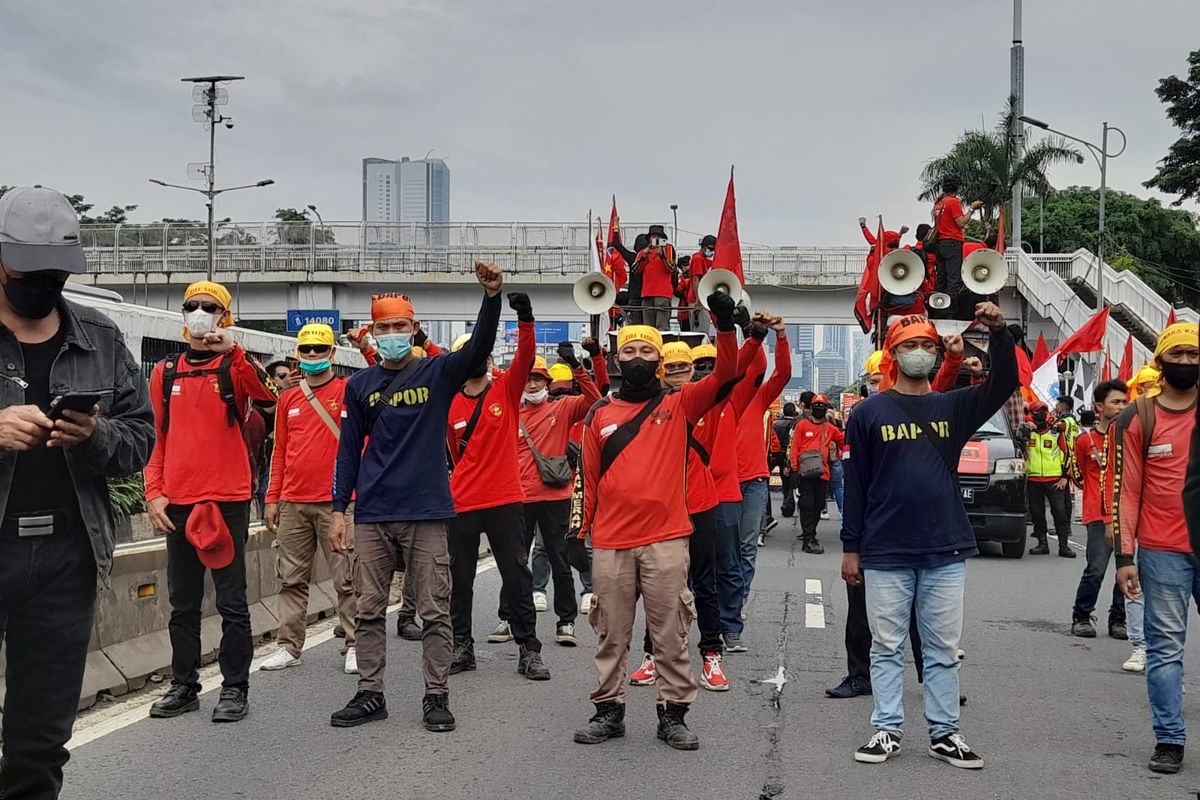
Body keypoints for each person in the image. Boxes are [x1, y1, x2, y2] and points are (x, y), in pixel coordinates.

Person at [0, 186, 154, 800]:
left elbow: (140, 440)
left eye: (55, 274)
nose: (43, 284)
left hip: (65, 562)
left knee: (39, 745)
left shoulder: (100, 336)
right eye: (28, 272)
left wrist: (92, 434)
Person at [329, 261, 504, 732]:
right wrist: (339, 510)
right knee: (367, 609)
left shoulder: (438, 373)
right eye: (383, 327)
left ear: (415, 328)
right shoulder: (359, 386)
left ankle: (436, 696)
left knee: (433, 610)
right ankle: (370, 694)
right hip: (372, 514)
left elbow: (479, 350)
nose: (391, 333)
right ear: (372, 331)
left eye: (399, 326)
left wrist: (491, 298)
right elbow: (347, 452)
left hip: (426, 511)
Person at [842, 303, 1016, 769]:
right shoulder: (866, 414)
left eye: (926, 345)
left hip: (944, 548)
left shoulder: (952, 406)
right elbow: (855, 485)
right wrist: (850, 548)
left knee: (941, 647)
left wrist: (998, 332)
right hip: (884, 550)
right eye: (909, 346)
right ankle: (886, 729)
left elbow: (1004, 384)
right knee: (887, 645)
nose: (919, 352)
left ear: (938, 355)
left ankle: (945, 733)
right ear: (893, 354)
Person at [574, 298, 738, 751]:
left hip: (666, 540)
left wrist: (725, 326)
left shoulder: (682, 404)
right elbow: (586, 479)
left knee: (670, 634)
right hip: (609, 542)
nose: (639, 359)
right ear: (618, 359)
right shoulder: (598, 416)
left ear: (660, 361)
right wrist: (579, 535)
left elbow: (726, 374)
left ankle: (674, 714)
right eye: (630, 352)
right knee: (610, 633)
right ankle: (609, 710)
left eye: (648, 352)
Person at [146, 280, 279, 723]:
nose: (200, 313)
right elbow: (156, 438)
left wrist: (234, 351)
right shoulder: (164, 372)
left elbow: (269, 398)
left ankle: (235, 689)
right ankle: (184, 685)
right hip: (179, 502)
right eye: (192, 306)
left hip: (227, 500)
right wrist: (154, 493)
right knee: (182, 602)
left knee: (231, 602)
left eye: (210, 307)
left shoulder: (236, 366)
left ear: (225, 316)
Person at [444, 300, 551, 682]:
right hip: (461, 504)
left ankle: (529, 650)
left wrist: (525, 319)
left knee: (517, 576)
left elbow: (526, 355)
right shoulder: (448, 400)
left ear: (488, 357)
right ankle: (461, 646)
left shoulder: (506, 389)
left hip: (505, 500)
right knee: (460, 580)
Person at [1113, 321, 1200, 775]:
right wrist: (1125, 556)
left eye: (1193, 354)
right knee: (1165, 649)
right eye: (1177, 354)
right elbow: (1125, 491)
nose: (1186, 362)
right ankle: (1169, 739)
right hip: (1162, 551)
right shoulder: (1137, 417)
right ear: (1160, 359)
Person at [627, 342, 729, 692]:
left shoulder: (707, 404)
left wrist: (738, 329)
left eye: (682, 369)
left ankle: (712, 655)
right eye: (669, 369)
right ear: (659, 372)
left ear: (692, 370)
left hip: (700, 505)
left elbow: (732, 371)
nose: (676, 375)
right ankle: (652, 655)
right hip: (660, 510)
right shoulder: (646, 407)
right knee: (657, 588)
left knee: (704, 584)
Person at [261, 324, 359, 675]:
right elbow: (280, 452)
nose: (314, 355)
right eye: (307, 350)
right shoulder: (287, 398)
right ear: (298, 355)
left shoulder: (349, 391)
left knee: (347, 578)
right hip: (292, 502)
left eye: (320, 349)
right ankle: (288, 645)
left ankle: (355, 644)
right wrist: (272, 498)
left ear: (332, 353)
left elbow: (360, 445)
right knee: (290, 578)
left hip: (338, 504)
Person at [508, 340, 603, 646]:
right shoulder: (509, 411)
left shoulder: (561, 408)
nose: (533, 383)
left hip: (555, 498)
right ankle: (506, 618)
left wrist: (577, 365)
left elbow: (595, 399)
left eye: (538, 378)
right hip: (518, 499)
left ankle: (566, 621)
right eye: (528, 378)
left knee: (561, 562)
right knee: (514, 562)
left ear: (547, 383)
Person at [1068, 380, 1131, 641]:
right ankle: (1081, 616)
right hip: (1097, 515)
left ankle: (1118, 619)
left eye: (1124, 402)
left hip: (1127, 516)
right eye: (1116, 402)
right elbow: (1077, 474)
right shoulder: (1084, 441)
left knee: (1125, 570)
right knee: (1096, 568)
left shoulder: (1131, 439)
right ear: (1099, 406)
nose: (1121, 407)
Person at [734, 318, 791, 596]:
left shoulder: (758, 397)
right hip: (721, 483)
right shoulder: (712, 396)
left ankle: (738, 602)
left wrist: (780, 337)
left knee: (746, 547)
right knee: (721, 548)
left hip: (755, 481)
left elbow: (782, 374)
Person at [790, 394, 844, 554]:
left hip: (823, 474)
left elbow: (844, 441)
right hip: (805, 474)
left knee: (818, 506)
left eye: (822, 406)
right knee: (807, 506)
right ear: (811, 408)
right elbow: (794, 447)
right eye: (816, 405)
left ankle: (810, 535)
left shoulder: (830, 429)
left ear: (826, 409)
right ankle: (809, 539)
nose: (819, 408)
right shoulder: (802, 426)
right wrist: (794, 469)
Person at [1025, 401, 1075, 557]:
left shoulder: (1055, 432)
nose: (1041, 414)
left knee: (1059, 512)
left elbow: (1069, 454)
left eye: (1044, 411)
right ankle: (1042, 544)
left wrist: (1065, 478)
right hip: (1033, 479)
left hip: (1054, 479)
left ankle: (1064, 546)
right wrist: (1026, 425)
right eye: (1037, 412)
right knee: (1037, 514)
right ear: (1031, 415)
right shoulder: (1026, 432)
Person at [929, 175, 982, 320]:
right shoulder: (953, 202)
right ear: (957, 187)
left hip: (941, 243)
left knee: (942, 278)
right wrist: (971, 209)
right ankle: (951, 312)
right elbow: (960, 223)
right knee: (953, 279)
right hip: (953, 242)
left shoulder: (938, 204)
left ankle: (938, 309)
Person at [631, 225, 676, 330]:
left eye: (659, 237)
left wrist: (662, 255)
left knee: (662, 327)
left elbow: (671, 268)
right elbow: (634, 270)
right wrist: (643, 257)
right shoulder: (643, 252)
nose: (656, 239)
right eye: (653, 236)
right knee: (648, 329)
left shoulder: (668, 248)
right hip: (647, 294)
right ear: (649, 239)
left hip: (663, 294)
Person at [773, 402, 800, 517]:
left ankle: (786, 501)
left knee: (783, 479)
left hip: (776, 453)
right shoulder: (795, 424)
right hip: (788, 453)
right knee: (789, 480)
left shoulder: (776, 423)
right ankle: (788, 503)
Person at [685, 235, 716, 332]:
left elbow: (713, 263)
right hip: (697, 300)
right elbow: (695, 280)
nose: (712, 251)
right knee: (701, 331)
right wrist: (698, 300)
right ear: (703, 247)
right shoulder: (698, 259)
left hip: (699, 299)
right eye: (711, 248)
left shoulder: (701, 259)